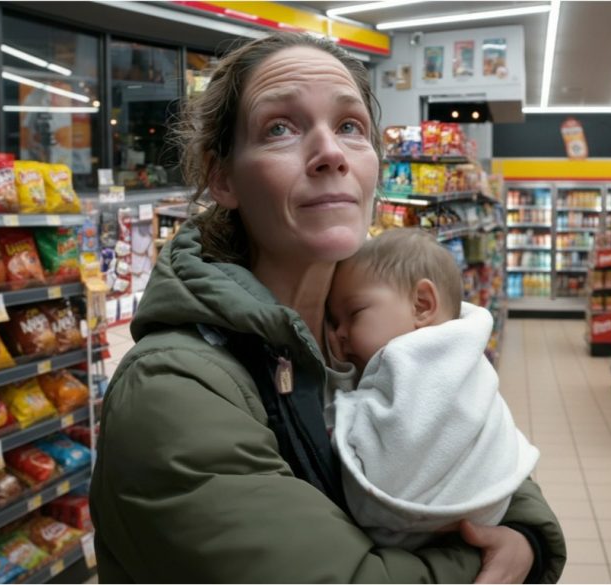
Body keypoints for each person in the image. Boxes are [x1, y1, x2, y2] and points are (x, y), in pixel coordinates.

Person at [89, 32, 566, 583]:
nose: (331, 153)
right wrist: (502, 550)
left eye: (349, 127)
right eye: (280, 128)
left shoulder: (372, 327)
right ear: (222, 177)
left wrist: (526, 527)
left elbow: (473, 430)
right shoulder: (171, 392)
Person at [325, 228, 540, 550]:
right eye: (333, 322)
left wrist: (342, 392)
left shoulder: (409, 363)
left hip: (412, 524)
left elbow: (388, 460)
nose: (339, 334)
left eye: (353, 314)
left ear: (422, 305)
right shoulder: (464, 356)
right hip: (485, 515)